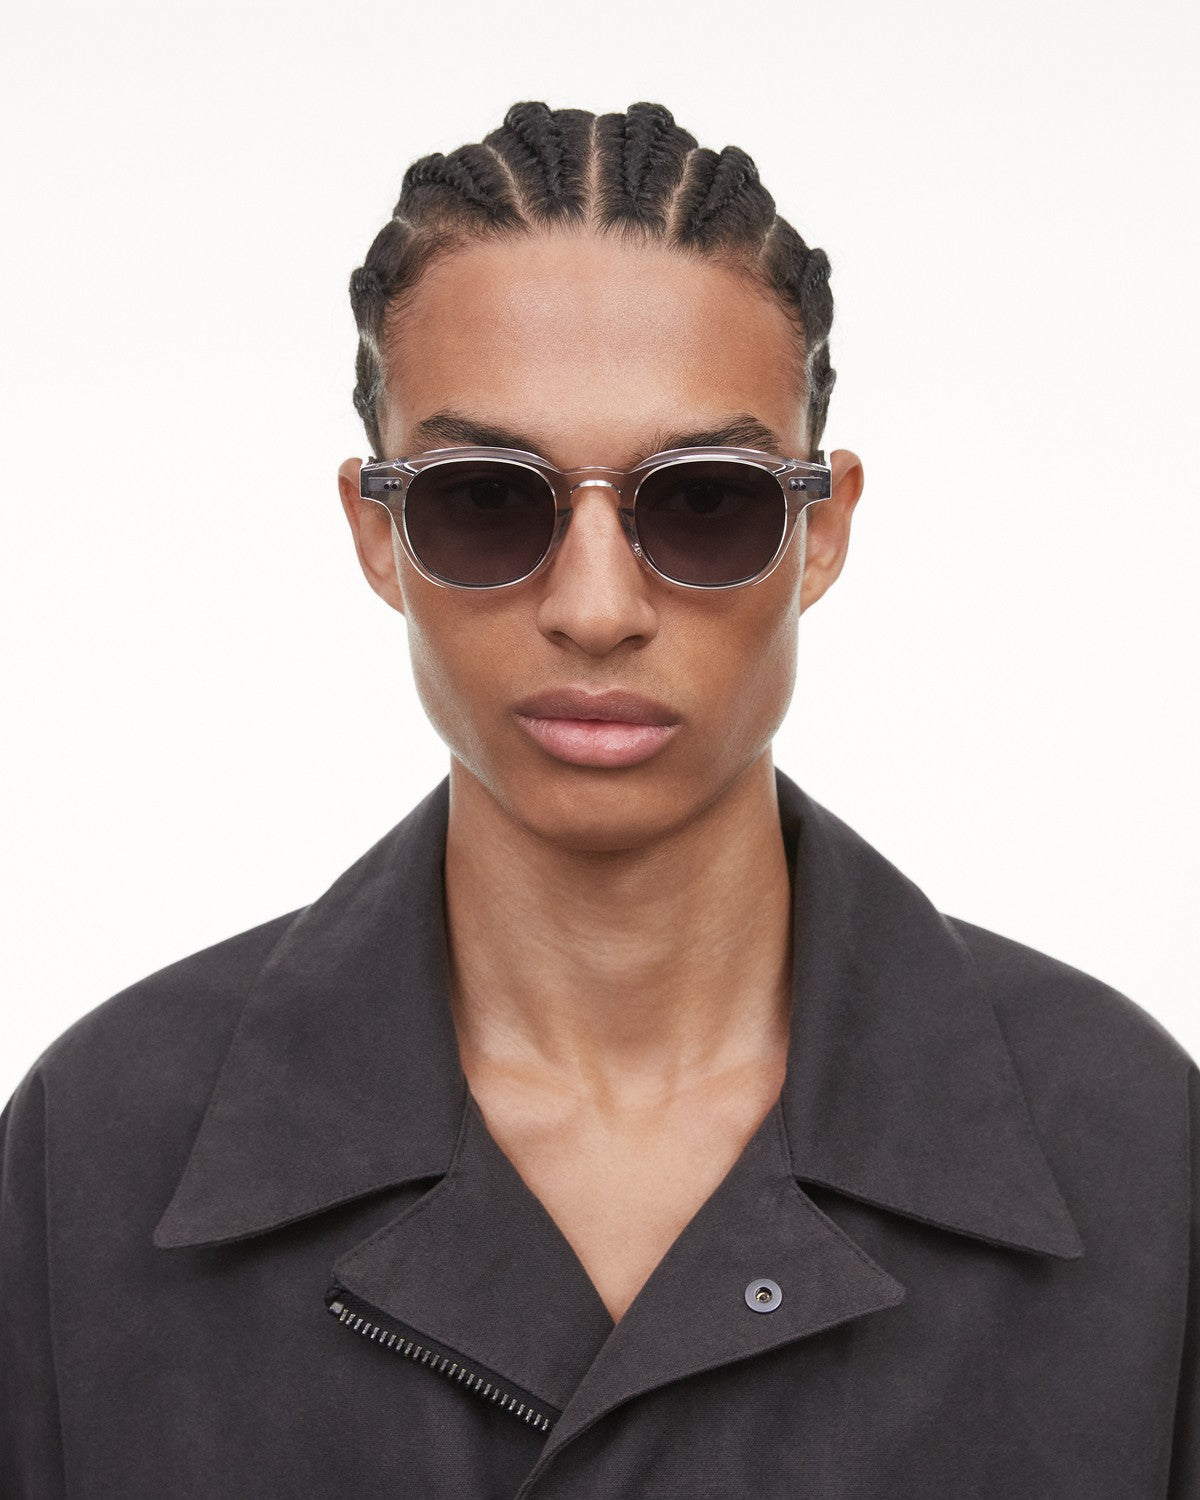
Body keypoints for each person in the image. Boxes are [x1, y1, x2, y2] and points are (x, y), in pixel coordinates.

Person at [1, 99, 1196, 1500]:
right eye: (484, 500)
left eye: (703, 500)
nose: (595, 608)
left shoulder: (1128, 1151)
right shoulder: (104, 1151)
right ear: (378, 532)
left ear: (820, 530)